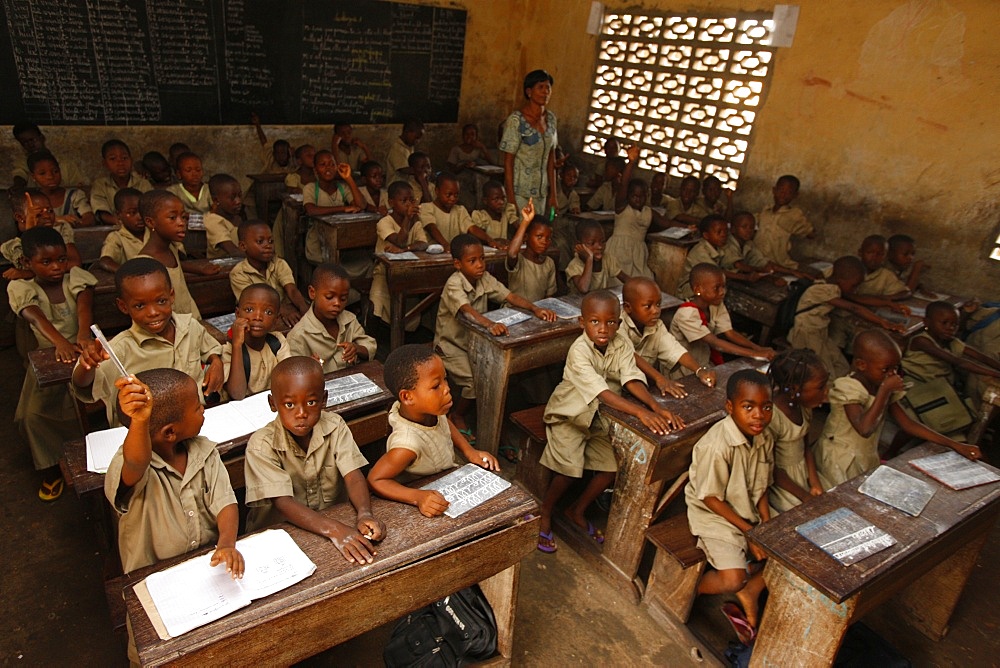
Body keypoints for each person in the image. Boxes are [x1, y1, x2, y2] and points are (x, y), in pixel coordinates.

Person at [538, 290, 682, 553]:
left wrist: (655, 406)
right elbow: (602, 393)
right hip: (569, 416)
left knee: (611, 469)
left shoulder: (622, 342)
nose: (603, 329)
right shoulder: (579, 351)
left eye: (611, 322)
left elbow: (630, 378)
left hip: (599, 417)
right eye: (595, 322)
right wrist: (641, 413)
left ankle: (576, 510)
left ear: (619, 321)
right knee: (569, 467)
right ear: (583, 322)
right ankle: (544, 511)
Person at [243, 357, 385, 563]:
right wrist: (334, 530)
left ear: (324, 399)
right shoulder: (261, 445)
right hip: (281, 536)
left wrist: (364, 514)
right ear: (273, 403)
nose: (301, 413)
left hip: (335, 523)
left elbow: (353, 476)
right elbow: (282, 503)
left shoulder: (335, 426)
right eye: (289, 404)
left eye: (311, 402)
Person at [107, 369, 242, 575]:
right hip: (156, 576)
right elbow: (136, 463)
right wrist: (140, 421)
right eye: (197, 407)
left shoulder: (205, 452)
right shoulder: (131, 464)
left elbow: (225, 502)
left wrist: (226, 544)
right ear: (170, 432)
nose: (203, 409)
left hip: (207, 564)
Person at [814, 330, 981, 489]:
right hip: (840, 459)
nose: (892, 374)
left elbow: (908, 424)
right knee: (843, 498)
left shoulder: (881, 384)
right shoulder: (848, 387)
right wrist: (885, 391)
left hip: (865, 455)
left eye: (895, 368)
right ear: (861, 365)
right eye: (885, 369)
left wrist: (954, 444)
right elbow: (864, 428)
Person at [71, 258, 224, 426]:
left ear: (171, 296)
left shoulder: (189, 326)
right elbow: (84, 387)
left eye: (161, 301)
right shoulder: (118, 349)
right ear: (123, 306)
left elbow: (210, 349)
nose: (153, 312)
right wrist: (87, 366)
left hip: (195, 421)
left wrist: (216, 361)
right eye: (139, 306)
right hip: (148, 435)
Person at [434, 233, 557, 436]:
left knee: (495, 377)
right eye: (472, 261)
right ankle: (458, 415)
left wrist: (535, 309)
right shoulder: (454, 284)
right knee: (474, 383)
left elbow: (510, 295)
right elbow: (466, 310)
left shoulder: (484, 279)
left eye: (482, 258)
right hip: (450, 346)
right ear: (457, 264)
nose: (480, 264)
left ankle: (493, 425)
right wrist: (490, 324)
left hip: (475, 343)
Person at [8, 227, 97, 500]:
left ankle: (82, 461)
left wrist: (82, 334)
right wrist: (60, 342)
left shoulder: (75, 279)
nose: (57, 267)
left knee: (83, 408)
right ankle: (50, 465)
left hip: (83, 355)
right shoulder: (21, 287)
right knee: (31, 417)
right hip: (50, 358)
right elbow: (36, 318)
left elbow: (84, 307)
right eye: (46, 262)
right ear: (27, 263)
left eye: (61, 259)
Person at [686, 369, 773, 638]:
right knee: (733, 578)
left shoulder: (763, 436)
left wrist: (766, 527)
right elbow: (711, 498)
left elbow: (761, 486)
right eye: (748, 407)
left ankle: (751, 588)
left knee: (791, 547)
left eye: (766, 407)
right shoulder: (717, 446)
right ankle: (690, 589)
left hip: (744, 509)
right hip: (713, 514)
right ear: (730, 407)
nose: (758, 415)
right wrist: (750, 532)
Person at [367, 345, 499, 515]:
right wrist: (417, 497)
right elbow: (376, 479)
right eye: (436, 386)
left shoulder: (432, 410)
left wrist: (469, 451)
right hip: (423, 502)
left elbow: (445, 424)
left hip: (445, 482)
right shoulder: (406, 445)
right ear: (407, 397)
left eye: (445, 379)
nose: (447, 388)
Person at [788, 256, 902, 378]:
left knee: (842, 366)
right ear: (840, 279)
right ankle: (829, 392)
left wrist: (887, 303)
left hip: (820, 333)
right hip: (806, 334)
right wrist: (882, 322)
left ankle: (840, 387)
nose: (856, 289)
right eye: (854, 285)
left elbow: (858, 299)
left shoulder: (833, 286)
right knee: (824, 371)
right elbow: (854, 308)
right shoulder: (822, 290)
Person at [670, 264, 775, 373]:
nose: (722, 292)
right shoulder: (686, 314)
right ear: (698, 289)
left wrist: (757, 348)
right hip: (684, 369)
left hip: (704, 362)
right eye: (716, 288)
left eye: (723, 286)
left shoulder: (715, 304)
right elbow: (714, 342)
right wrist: (755, 354)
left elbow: (730, 333)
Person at [621, 277, 716, 393]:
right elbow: (631, 356)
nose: (655, 311)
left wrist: (699, 370)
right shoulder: (616, 326)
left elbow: (675, 349)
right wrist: (660, 378)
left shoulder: (656, 326)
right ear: (627, 307)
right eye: (648, 306)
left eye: (658, 304)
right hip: (618, 389)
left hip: (644, 386)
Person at [137, 190, 220, 320]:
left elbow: (174, 268)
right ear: (150, 222)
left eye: (183, 217)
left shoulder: (171, 247)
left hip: (192, 320)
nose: (181, 223)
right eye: (172, 218)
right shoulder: (145, 264)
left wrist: (200, 269)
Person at [903, 301, 1000, 408]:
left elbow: (981, 357)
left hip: (940, 386)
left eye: (955, 325)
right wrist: (995, 374)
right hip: (919, 385)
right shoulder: (922, 341)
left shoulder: (952, 341)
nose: (950, 328)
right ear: (926, 322)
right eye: (944, 323)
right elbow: (959, 362)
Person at [766, 349, 828, 513]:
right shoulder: (772, 417)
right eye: (821, 387)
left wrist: (814, 482)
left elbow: (806, 447)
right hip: (781, 483)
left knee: (829, 502)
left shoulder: (804, 407)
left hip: (803, 473)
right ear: (794, 389)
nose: (826, 391)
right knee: (804, 515)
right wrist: (804, 496)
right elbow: (771, 468)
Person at [287, 263, 376, 374]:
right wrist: (309, 367)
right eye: (329, 297)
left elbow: (370, 345)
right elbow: (293, 374)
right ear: (312, 293)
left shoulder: (349, 320)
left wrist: (356, 348)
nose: (337, 303)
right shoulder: (299, 336)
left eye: (343, 298)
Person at [606, 146, 671, 279]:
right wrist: (631, 162)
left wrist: (687, 228)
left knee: (643, 282)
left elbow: (666, 223)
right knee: (617, 284)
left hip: (639, 255)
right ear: (627, 196)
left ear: (647, 196)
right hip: (618, 252)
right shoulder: (622, 207)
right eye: (634, 196)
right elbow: (624, 184)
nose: (638, 199)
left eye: (642, 196)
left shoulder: (649, 212)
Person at [369, 182, 428, 329]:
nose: (409, 205)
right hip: (384, 274)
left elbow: (423, 244)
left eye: (411, 200)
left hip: (407, 274)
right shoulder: (384, 222)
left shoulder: (416, 222)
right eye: (404, 201)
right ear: (391, 203)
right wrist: (407, 219)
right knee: (377, 307)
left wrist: (406, 249)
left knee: (409, 316)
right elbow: (399, 241)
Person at [229, 220, 309, 328]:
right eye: (260, 241)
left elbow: (292, 289)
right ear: (243, 246)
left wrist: (304, 310)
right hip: (256, 317)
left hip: (282, 314)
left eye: (271, 241)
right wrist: (282, 309)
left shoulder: (279, 263)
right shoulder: (238, 273)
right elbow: (255, 302)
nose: (268, 246)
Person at [500, 70, 558, 215]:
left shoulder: (551, 119)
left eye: (548, 88)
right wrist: (511, 197)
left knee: (538, 233)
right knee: (521, 232)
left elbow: (551, 159)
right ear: (529, 92)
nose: (545, 92)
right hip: (520, 192)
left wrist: (553, 194)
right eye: (541, 87)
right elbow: (508, 162)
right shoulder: (516, 120)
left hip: (541, 193)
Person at [224, 284, 290, 400]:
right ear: (238, 314)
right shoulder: (229, 349)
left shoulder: (277, 342)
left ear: (276, 320)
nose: (258, 317)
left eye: (268, 312)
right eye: (249, 310)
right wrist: (237, 345)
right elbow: (237, 394)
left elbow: (289, 380)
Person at [2, 189, 81, 281]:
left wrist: (29, 273)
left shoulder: (60, 229)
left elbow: (75, 263)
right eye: (38, 214)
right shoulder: (11, 246)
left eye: (50, 211)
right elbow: (29, 265)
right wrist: (31, 231)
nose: (47, 216)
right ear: (20, 217)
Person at [302, 152, 364, 264]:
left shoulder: (343, 188)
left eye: (332, 164)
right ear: (315, 170)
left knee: (364, 263)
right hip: (318, 246)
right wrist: (343, 208)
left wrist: (348, 178)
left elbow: (361, 205)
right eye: (323, 164)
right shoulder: (310, 188)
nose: (328, 168)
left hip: (341, 243)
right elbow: (311, 210)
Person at [754, 174, 812, 271]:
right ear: (774, 190)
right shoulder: (765, 211)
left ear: (795, 195)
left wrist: (797, 227)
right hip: (758, 260)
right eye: (781, 191)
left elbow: (810, 234)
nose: (783, 195)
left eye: (789, 192)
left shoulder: (794, 214)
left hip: (779, 262)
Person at [90, 139, 152, 225]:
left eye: (124, 158)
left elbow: (151, 208)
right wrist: (120, 223)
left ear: (131, 160)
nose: (120, 163)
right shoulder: (100, 185)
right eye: (113, 159)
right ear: (104, 163)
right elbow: (101, 213)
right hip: (114, 228)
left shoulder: (142, 183)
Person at [10, 121, 87, 189]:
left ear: (42, 138)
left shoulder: (65, 163)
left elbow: (79, 186)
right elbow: (20, 173)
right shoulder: (23, 163)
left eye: (32, 140)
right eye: (25, 142)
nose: (30, 145)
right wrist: (18, 185)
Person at [506, 199, 556, 302]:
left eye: (548, 238)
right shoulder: (518, 260)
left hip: (538, 312)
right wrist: (526, 221)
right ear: (525, 237)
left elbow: (549, 297)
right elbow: (511, 254)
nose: (544, 242)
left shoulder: (549, 263)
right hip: (516, 311)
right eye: (539, 236)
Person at [28, 151, 95, 227]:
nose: (50, 177)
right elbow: (26, 224)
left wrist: (76, 223)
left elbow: (89, 218)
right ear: (33, 176)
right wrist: (58, 219)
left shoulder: (74, 196)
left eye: (55, 171)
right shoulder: (31, 200)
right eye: (42, 173)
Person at [566, 219, 628, 295]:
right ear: (579, 245)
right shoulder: (574, 266)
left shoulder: (607, 259)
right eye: (591, 243)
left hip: (599, 303)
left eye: (602, 241)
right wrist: (589, 259)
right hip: (577, 304)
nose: (599, 247)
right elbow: (583, 288)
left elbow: (625, 279)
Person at [677, 214, 730, 298]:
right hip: (690, 289)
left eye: (726, 231)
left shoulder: (718, 247)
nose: (723, 235)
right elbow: (715, 274)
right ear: (706, 235)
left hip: (706, 284)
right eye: (719, 232)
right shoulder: (700, 251)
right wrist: (745, 277)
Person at [95, 188, 147, 273]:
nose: (140, 217)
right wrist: (128, 273)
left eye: (142, 211)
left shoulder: (154, 232)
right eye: (132, 212)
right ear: (118, 215)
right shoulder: (116, 237)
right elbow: (105, 261)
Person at [419, 173, 475, 250]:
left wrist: (489, 240)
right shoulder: (426, 207)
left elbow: (471, 228)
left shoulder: (460, 210)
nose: (453, 198)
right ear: (437, 191)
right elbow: (431, 228)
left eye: (456, 195)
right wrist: (445, 245)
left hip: (452, 251)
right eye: (449, 194)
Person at [448, 123, 493, 211]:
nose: (470, 137)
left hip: (476, 178)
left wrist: (483, 148)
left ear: (476, 136)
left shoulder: (478, 149)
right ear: (462, 136)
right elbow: (451, 169)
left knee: (481, 180)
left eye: (473, 134)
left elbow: (491, 163)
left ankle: (480, 209)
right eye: (467, 134)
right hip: (461, 178)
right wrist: (464, 165)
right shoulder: (456, 150)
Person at [854, 234, 911, 301]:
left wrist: (886, 298)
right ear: (860, 252)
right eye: (870, 252)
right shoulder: (849, 268)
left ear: (886, 257)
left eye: (880, 254)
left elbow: (906, 292)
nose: (874, 257)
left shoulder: (886, 275)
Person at [203, 174, 245, 259]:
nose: (238, 201)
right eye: (232, 198)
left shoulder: (236, 218)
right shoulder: (213, 221)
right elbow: (233, 251)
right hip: (220, 269)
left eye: (240, 196)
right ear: (216, 200)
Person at [470, 180, 518, 249]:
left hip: (503, 250)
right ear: (485, 201)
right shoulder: (481, 216)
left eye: (503, 198)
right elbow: (478, 239)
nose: (501, 202)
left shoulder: (507, 211)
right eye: (496, 199)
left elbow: (516, 224)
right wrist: (494, 241)